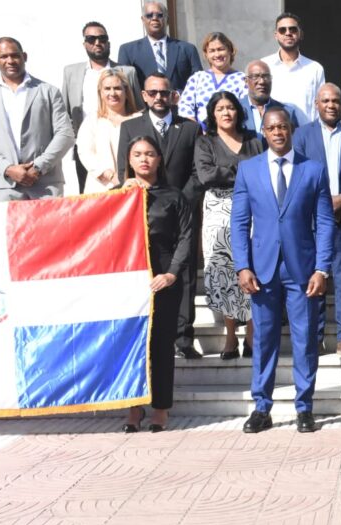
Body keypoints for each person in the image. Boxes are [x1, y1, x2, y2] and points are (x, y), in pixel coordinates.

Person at [231, 108, 335, 434]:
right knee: (263, 340)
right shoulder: (248, 170)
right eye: (272, 128)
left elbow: (325, 222)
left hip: (302, 270)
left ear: (291, 129)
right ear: (264, 131)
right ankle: (262, 408)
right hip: (261, 270)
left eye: (283, 127)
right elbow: (239, 222)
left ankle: (305, 408)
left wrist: (322, 268)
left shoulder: (313, 169)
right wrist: (242, 265)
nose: (278, 132)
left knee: (305, 340)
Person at [118, 73, 202, 359]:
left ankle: (184, 338)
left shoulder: (189, 128)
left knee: (184, 275)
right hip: (143, 214)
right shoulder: (130, 127)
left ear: (173, 96)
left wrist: (178, 199)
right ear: (144, 96)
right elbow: (124, 168)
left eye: (164, 93)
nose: (158, 97)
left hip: (181, 207)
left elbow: (197, 171)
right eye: (152, 93)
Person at [119, 134, 193, 433]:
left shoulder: (174, 196)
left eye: (150, 154)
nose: (144, 159)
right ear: (129, 160)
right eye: (137, 154)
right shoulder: (117, 195)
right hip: (128, 277)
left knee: (161, 344)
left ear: (159, 159)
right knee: (132, 345)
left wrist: (172, 273)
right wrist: (120, 197)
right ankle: (133, 407)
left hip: (163, 275)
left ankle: (161, 408)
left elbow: (186, 237)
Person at [293, 83, 341, 358]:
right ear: (316, 104)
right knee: (315, 278)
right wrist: (323, 201)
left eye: (335, 101)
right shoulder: (302, 135)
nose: (331, 105)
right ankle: (315, 338)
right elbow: (297, 173)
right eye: (325, 101)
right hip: (312, 220)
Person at [194, 91, 263, 361]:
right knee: (223, 273)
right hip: (217, 212)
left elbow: (262, 172)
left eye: (231, 107)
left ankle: (252, 336)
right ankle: (231, 336)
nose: (226, 113)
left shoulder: (254, 140)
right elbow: (206, 175)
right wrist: (243, 171)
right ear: (213, 114)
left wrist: (227, 171)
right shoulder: (205, 142)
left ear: (238, 111)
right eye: (220, 108)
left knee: (252, 268)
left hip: (253, 208)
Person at [0, 37, 73, 201]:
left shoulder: (48, 91)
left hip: (46, 183)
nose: (10, 60)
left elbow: (65, 134)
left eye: (15, 55)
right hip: (7, 184)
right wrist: (7, 168)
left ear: (24, 56)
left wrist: (38, 167)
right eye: (3, 56)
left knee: (51, 220)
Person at [62, 21, 141, 193]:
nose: (97, 43)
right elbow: (67, 112)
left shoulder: (127, 72)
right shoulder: (71, 72)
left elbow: (138, 106)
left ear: (108, 42)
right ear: (84, 43)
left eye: (102, 38)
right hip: (91, 147)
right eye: (91, 39)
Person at [76, 69, 141, 194]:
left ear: (126, 91)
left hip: (133, 188)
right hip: (100, 188)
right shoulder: (92, 120)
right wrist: (110, 176)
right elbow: (85, 152)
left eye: (117, 88)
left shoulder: (139, 119)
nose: (112, 93)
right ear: (100, 93)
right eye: (107, 88)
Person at [117, 2, 201, 93]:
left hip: (180, 101)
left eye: (160, 15)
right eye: (149, 15)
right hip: (143, 102)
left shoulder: (187, 49)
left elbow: (198, 83)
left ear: (167, 19)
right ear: (143, 20)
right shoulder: (128, 51)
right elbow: (124, 86)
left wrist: (179, 95)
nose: (154, 18)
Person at [261, 12, 324, 125]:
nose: (288, 33)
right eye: (282, 30)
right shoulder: (264, 65)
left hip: (306, 133)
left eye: (293, 29)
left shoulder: (315, 68)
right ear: (276, 35)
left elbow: (321, 106)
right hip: (273, 132)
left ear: (301, 34)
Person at [177, 32, 248, 130]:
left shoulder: (242, 79)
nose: (217, 54)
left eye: (221, 49)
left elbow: (245, 109)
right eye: (212, 51)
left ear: (230, 51)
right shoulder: (197, 78)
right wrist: (198, 132)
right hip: (200, 135)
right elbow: (185, 108)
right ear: (206, 54)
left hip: (232, 132)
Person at [241, 60, 301, 139]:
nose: (262, 81)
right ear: (246, 81)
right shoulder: (235, 109)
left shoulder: (286, 111)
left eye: (266, 77)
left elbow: (295, 142)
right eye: (255, 76)